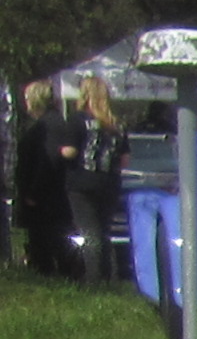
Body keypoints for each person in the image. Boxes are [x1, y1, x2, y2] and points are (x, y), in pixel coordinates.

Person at [62, 73, 126, 284]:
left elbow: (70, 152)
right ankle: (111, 276)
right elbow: (126, 159)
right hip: (109, 182)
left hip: (82, 182)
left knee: (90, 232)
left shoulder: (78, 119)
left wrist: (59, 151)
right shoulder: (116, 124)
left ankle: (94, 279)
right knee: (104, 231)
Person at [14, 81, 64, 275]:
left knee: (44, 239)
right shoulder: (47, 123)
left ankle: (46, 274)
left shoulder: (48, 125)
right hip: (42, 192)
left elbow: (48, 159)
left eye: (27, 98)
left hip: (44, 196)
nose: (25, 102)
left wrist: (34, 192)